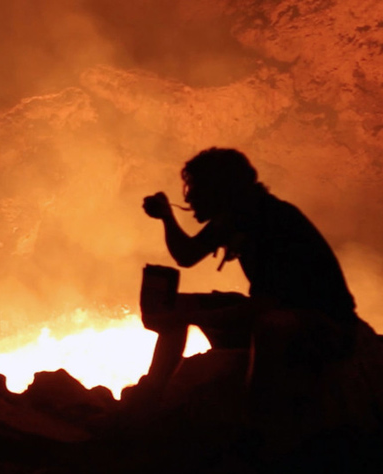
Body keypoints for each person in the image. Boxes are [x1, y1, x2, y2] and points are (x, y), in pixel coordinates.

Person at [130, 147, 360, 407]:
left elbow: (265, 305)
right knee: (177, 305)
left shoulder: (273, 221)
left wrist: (194, 317)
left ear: (219, 190)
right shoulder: (236, 218)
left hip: (325, 327)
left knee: (271, 326)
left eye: (195, 188)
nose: (190, 197)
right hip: (280, 315)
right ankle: (152, 392)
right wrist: (167, 218)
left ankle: (260, 417)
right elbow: (187, 255)